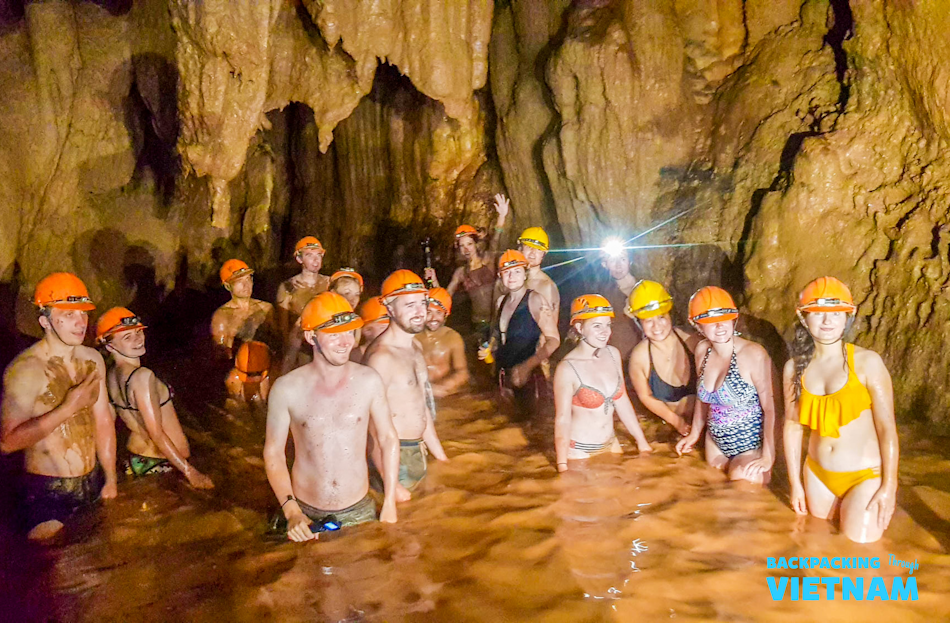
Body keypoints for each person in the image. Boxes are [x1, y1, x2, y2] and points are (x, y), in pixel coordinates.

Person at [264, 292, 401, 542]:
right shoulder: (286, 389)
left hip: (359, 510)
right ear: (311, 336)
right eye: (334, 334)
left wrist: (390, 500)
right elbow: (273, 453)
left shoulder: (368, 381)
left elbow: (388, 438)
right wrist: (291, 511)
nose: (345, 342)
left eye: (350, 332)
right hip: (303, 510)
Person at [1, 273, 117, 540]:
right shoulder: (24, 370)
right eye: (68, 314)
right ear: (45, 321)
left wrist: (110, 478)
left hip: (91, 481)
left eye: (84, 313)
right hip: (46, 490)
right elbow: (7, 443)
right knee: (57, 572)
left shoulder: (93, 359)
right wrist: (67, 408)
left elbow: (103, 421)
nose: (80, 323)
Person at [783, 277, 898, 543]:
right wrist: (795, 484)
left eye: (836, 314)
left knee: (860, 548)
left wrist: (889, 485)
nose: (827, 322)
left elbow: (886, 427)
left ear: (849, 316)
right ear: (803, 318)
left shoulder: (868, 363)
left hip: (865, 475)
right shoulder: (793, 368)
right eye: (819, 314)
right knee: (817, 546)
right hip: (816, 474)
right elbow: (792, 426)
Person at [97, 308, 214, 488]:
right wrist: (191, 472)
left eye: (138, 332)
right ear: (110, 346)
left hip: (135, 460)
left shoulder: (111, 375)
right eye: (127, 337)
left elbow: (110, 424)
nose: (138, 339)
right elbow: (156, 433)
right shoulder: (142, 376)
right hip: (162, 464)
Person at [675, 287, 776, 484]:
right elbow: (703, 400)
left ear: (734, 318)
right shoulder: (702, 351)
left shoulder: (753, 354)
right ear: (696, 325)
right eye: (711, 322)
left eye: (725, 317)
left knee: (739, 496)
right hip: (715, 446)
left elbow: (772, 409)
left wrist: (768, 456)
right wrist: (694, 434)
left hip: (749, 448)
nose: (720, 326)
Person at [364, 270, 448, 491]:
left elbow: (421, 408)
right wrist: (390, 485)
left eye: (422, 303)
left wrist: (441, 458)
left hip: (418, 450)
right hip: (394, 457)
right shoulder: (381, 358)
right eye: (410, 305)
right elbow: (370, 426)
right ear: (390, 308)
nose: (420, 312)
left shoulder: (415, 347)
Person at [554, 295, 652, 471]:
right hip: (580, 452)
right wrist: (562, 466)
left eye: (607, 325)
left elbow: (622, 402)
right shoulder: (567, 369)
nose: (605, 332)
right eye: (597, 326)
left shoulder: (613, 354)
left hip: (611, 445)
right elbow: (562, 419)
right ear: (579, 327)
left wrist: (642, 442)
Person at [480, 250, 561, 416]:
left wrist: (527, 366)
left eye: (517, 271)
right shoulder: (501, 301)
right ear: (500, 275)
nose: (511, 276)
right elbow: (498, 333)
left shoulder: (535, 299)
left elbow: (554, 340)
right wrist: (489, 348)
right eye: (506, 272)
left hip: (528, 377)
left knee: (532, 427)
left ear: (525, 274)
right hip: (504, 373)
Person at [425, 194, 509, 343]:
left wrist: (501, 216)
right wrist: (434, 280)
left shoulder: (488, 260)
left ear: (476, 244)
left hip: (498, 318)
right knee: (484, 358)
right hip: (478, 323)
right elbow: (446, 296)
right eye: (462, 245)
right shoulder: (461, 273)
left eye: (469, 244)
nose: (466, 249)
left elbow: (496, 237)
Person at [626, 281, 697, 436]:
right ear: (639, 323)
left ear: (670, 315)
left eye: (661, 317)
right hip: (669, 426)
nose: (656, 326)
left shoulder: (692, 342)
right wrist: (677, 422)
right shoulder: (639, 358)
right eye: (648, 321)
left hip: (702, 421)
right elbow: (645, 396)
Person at [210, 259, 276, 357]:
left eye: (248, 279)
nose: (246, 285)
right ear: (228, 286)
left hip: (265, 364)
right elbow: (221, 354)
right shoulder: (223, 316)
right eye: (239, 281)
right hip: (239, 366)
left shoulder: (266, 308)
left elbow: (277, 341)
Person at [415, 287, 469, 398]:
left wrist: (443, 387)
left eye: (438, 312)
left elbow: (462, 372)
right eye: (429, 312)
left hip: (446, 393)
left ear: (446, 314)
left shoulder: (453, 338)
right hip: (421, 392)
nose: (433, 318)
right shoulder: (412, 338)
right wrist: (427, 390)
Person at [275, 236, 330, 340]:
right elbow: (283, 327)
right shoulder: (288, 287)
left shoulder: (330, 283)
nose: (316, 260)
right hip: (300, 342)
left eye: (319, 255)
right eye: (309, 255)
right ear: (299, 259)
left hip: (326, 340)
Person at [600, 244, 640, 362]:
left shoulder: (646, 287)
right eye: (613, 260)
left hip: (646, 355)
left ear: (630, 261)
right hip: (619, 357)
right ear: (605, 264)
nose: (618, 265)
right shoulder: (603, 295)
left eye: (623, 259)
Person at [517, 227, 560, 316]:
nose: (533, 253)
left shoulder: (547, 286)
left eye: (538, 249)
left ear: (543, 254)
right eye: (529, 247)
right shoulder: (509, 280)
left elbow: (550, 327)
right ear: (520, 249)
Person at [355, 296, 390, 361]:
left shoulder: (399, 354)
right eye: (383, 327)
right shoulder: (354, 358)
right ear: (367, 331)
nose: (390, 331)